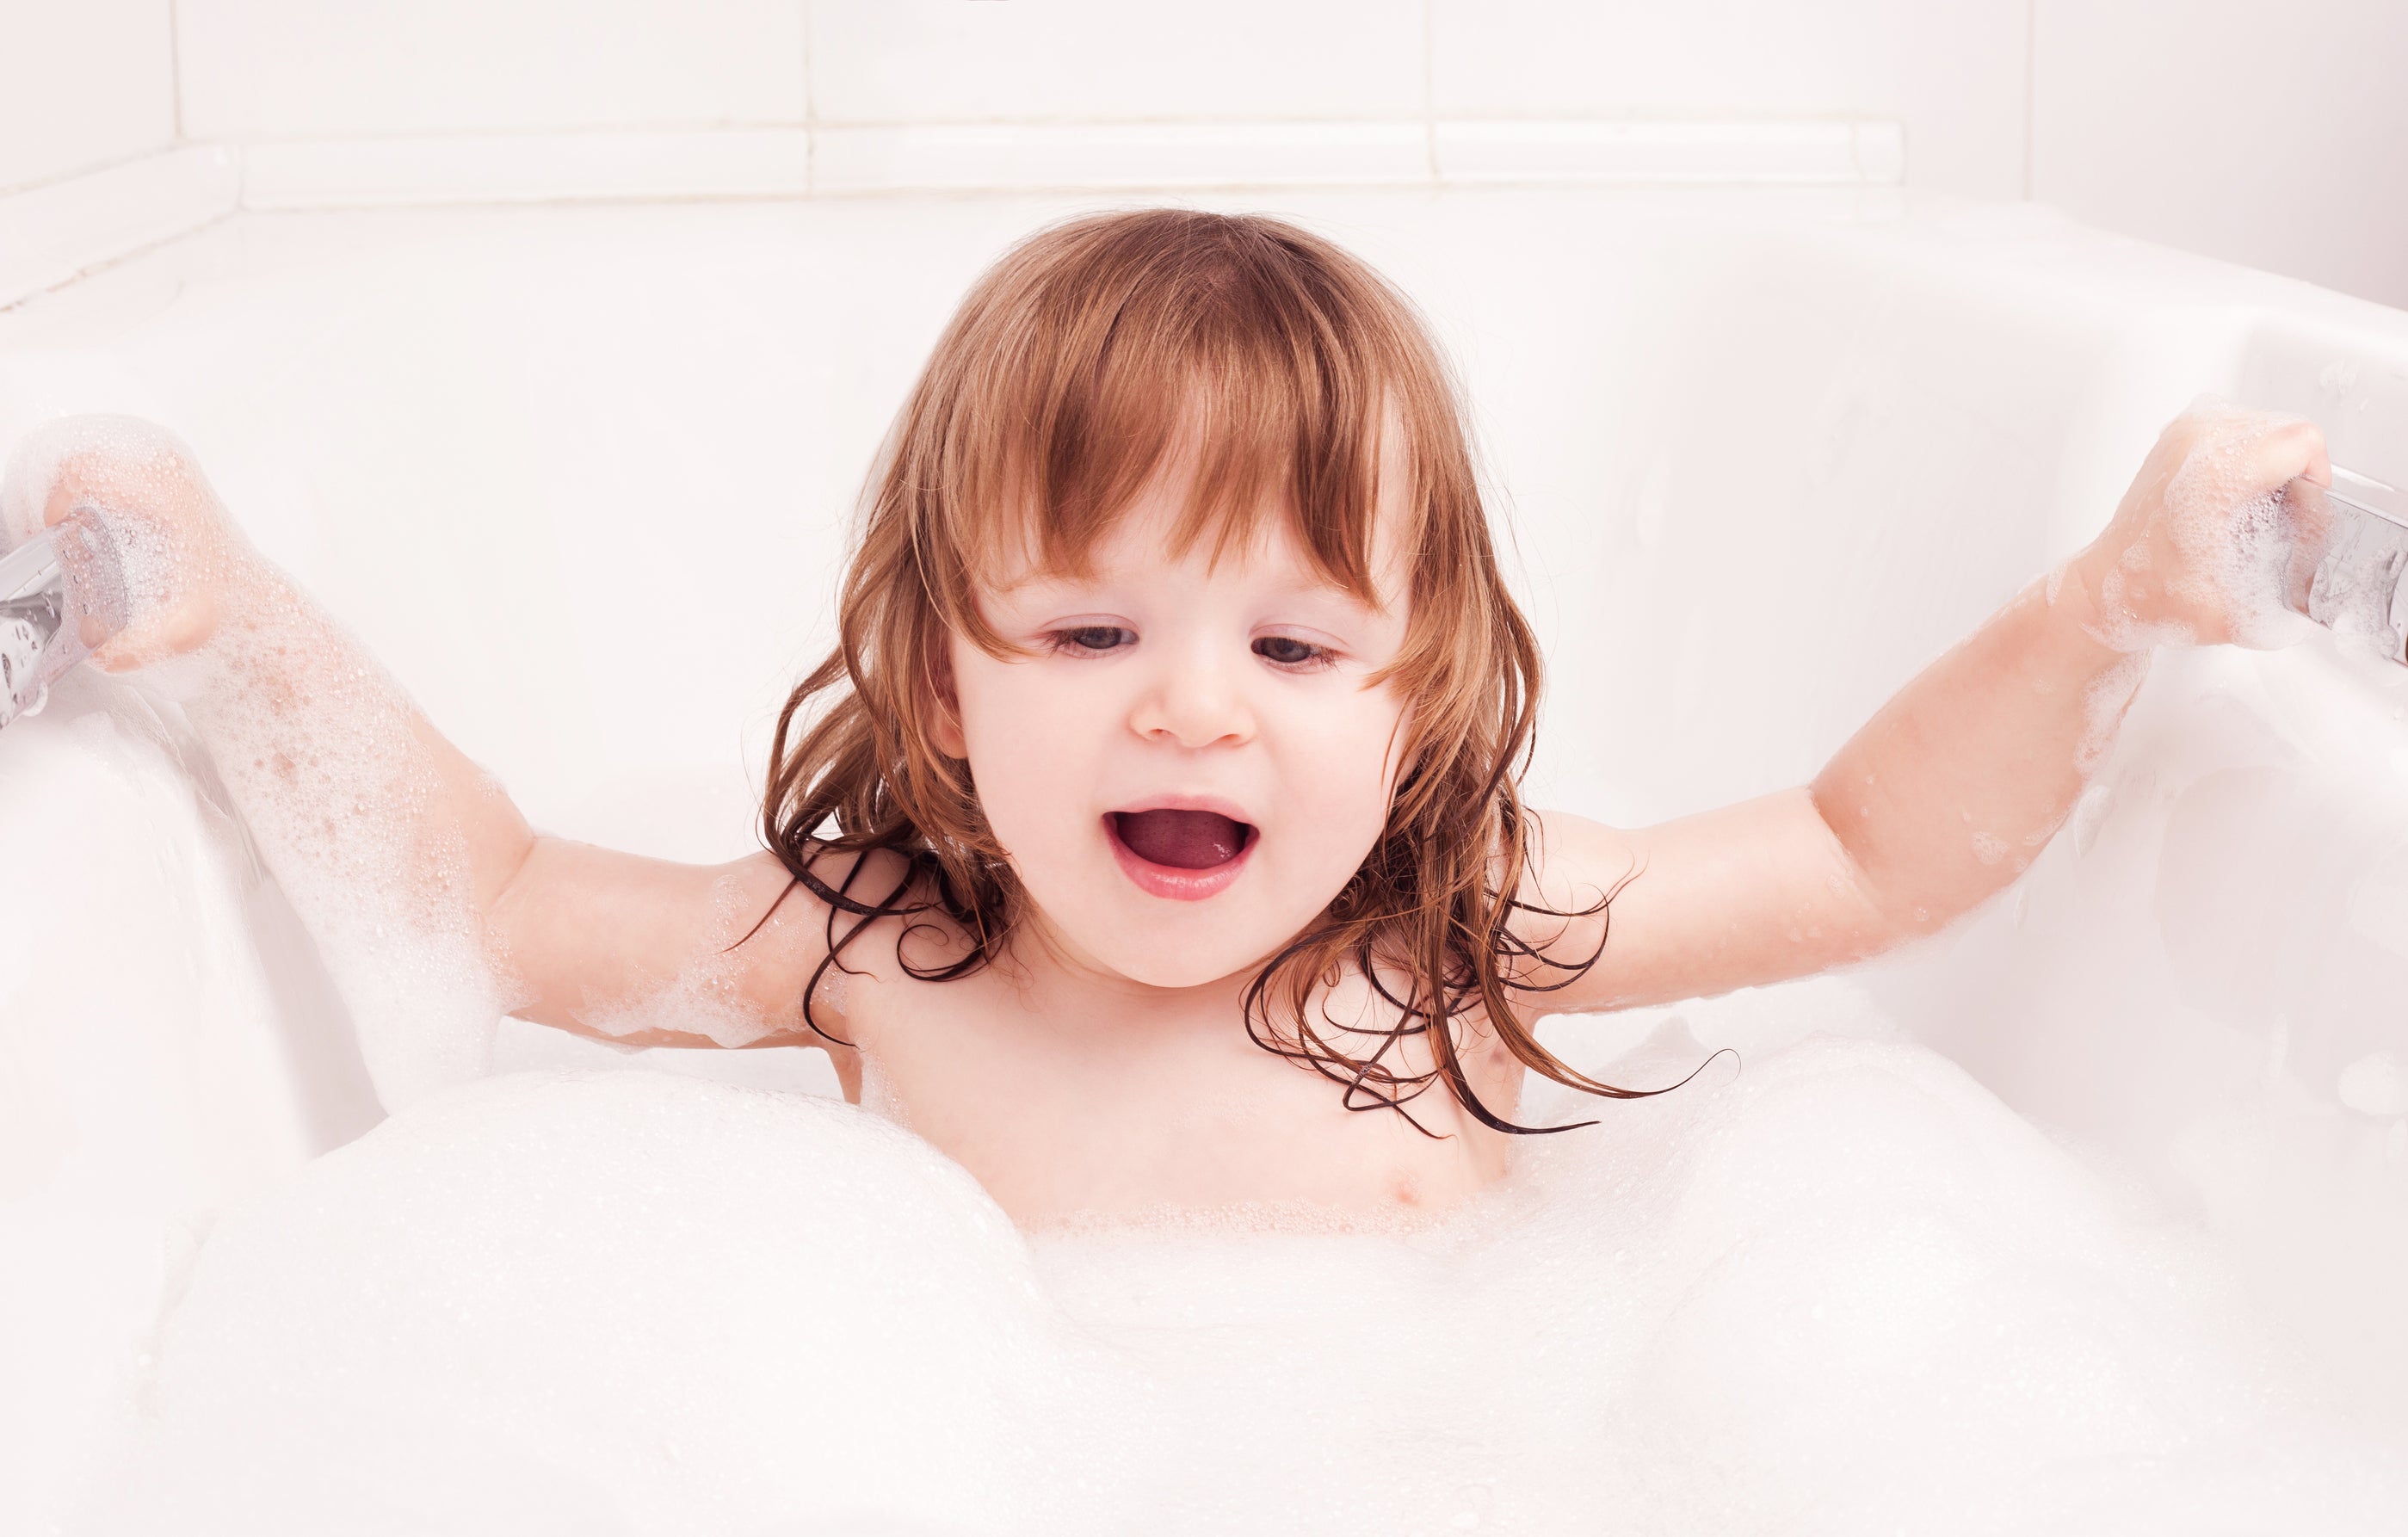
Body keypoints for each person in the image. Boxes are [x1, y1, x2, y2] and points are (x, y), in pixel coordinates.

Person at [3, 208, 2331, 1227]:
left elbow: (1858, 853)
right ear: (943, 675)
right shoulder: (871, 950)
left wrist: (2112, 597)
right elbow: (493, 898)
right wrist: (229, 632)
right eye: (1091, 635)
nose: (1194, 713)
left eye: (1299, 652)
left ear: (1417, 710)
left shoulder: (1458, 937)